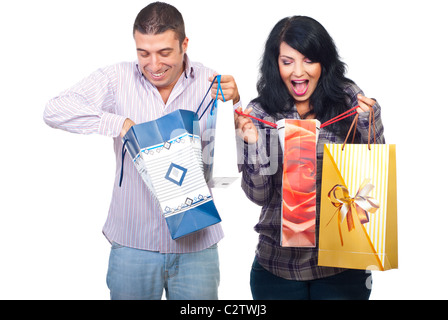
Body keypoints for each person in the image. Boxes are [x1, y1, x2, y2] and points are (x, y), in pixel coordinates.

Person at [43, 2, 240, 300]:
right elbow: (54, 110)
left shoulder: (211, 82)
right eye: (143, 53)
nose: (154, 65)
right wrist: (118, 122)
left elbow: (248, 146)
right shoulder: (116, 79)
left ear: (184, 44)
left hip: (197, 246)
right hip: (132, 244)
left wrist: (237, 101)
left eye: (164, 53)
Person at [234, 16, 385, 300]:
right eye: (287, 61)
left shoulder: (348, 101)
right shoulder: (260, 113)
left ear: (323, 63)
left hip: (342, 266)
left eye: (308, 60)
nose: (298, 72)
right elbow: (259, 196)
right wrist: (253, 143)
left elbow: (374, 173)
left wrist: (371, 121)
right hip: (277, 266)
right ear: (275, 64)